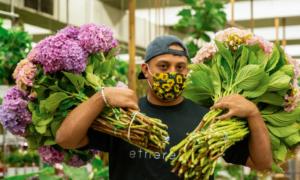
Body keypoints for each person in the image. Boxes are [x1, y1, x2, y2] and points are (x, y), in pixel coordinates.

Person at [56, 35, 273, 180]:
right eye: (163, 66)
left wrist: (253, 112)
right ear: (146, 69)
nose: (172, 73)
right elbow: (66, 139)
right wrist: (100, 97)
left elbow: (261, 163)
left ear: (188, 71)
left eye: (180, 67)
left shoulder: (207, 118)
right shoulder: (122, 116)